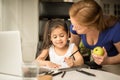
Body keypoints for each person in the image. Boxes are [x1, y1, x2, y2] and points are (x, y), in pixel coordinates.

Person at [69, 0, 120, 66]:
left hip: (114, 62)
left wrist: (108, 61)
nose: (73, 28)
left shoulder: (115, 29)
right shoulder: (76, 24)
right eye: (73, 24)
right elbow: (72, 47)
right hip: (95, 61)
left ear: (92, 25)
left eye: (78, 27)